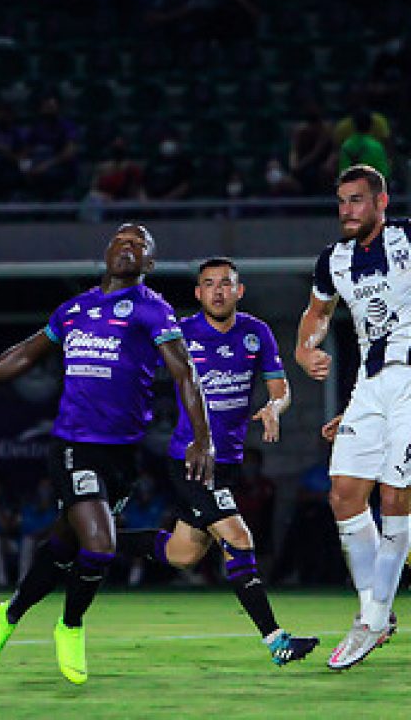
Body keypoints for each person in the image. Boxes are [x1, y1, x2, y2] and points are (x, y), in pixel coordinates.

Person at [0, 223, 215, 684]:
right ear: (106, 252)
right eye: (121, 240)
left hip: (122, 455)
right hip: (73, 445)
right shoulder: (74, 309)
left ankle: (8, 615)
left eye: (139, 244)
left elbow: (185, 373)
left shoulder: (152, 309)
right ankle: (70, 626)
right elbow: (24, 356)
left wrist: (202, 438)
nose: (128, 247)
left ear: (149, 262)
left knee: (67, 545)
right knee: (100, 546)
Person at [118, 258, 318, 666]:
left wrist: (275, 407)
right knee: (238, 538)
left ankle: (95, 540)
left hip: (228, 463)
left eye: (226, 283)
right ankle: (277, 641)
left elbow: (280, 388)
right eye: (209, 284)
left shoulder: (256, 332)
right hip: (192, 461)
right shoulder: (181, 334)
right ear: (198, 293)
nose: (218, 291)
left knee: (182, 554)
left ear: (239, 291)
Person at [295, 164, 409, 669]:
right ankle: (374, 610)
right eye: (342, 201)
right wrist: (304, 349)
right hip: (370, 384)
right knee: (343, 493)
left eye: (357, 200)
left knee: (395, 495)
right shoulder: (334, 259)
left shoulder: (407, 239)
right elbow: (316, 315)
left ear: (381, 202)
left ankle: (373, 617)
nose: (347, 210)